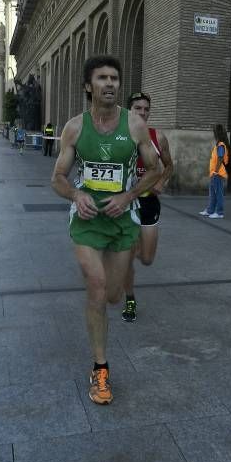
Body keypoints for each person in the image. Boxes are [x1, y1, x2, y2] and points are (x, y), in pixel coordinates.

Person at [51, 55, 160, 405]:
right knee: (97, 288)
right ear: (88, 86)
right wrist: (76, 193)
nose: (110, 83)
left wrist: (129, 196)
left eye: (114, 78)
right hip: (86, 222)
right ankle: (101, 369)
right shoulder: (74, 128)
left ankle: (111, 286)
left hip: (122, 222)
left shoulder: (135, 126)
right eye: (102, 78)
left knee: (113, 295)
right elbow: (57, 178)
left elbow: (157, 170)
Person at [121, 92, 174, 323]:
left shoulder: (157, 137)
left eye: (146, 109)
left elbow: (169, 165)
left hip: (148, 202)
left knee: (147, 259)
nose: (142, 113)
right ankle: (130, 298)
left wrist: (161, 182)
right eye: (137, 108)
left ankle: (133, 253)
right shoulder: (119, 137)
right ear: (128, 111)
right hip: (125, 203)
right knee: (126, 257)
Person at [199, 124, 229, 219]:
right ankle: (210, 210)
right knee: (212, 193)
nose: (213, 133)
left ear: (217, 133)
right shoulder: (218, 144)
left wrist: (215, 171)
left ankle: (219, 212)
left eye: (214, 131)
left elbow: (220, 158)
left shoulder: (221, 145)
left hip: (218, 173)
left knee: (218, 193)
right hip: (214, 173)